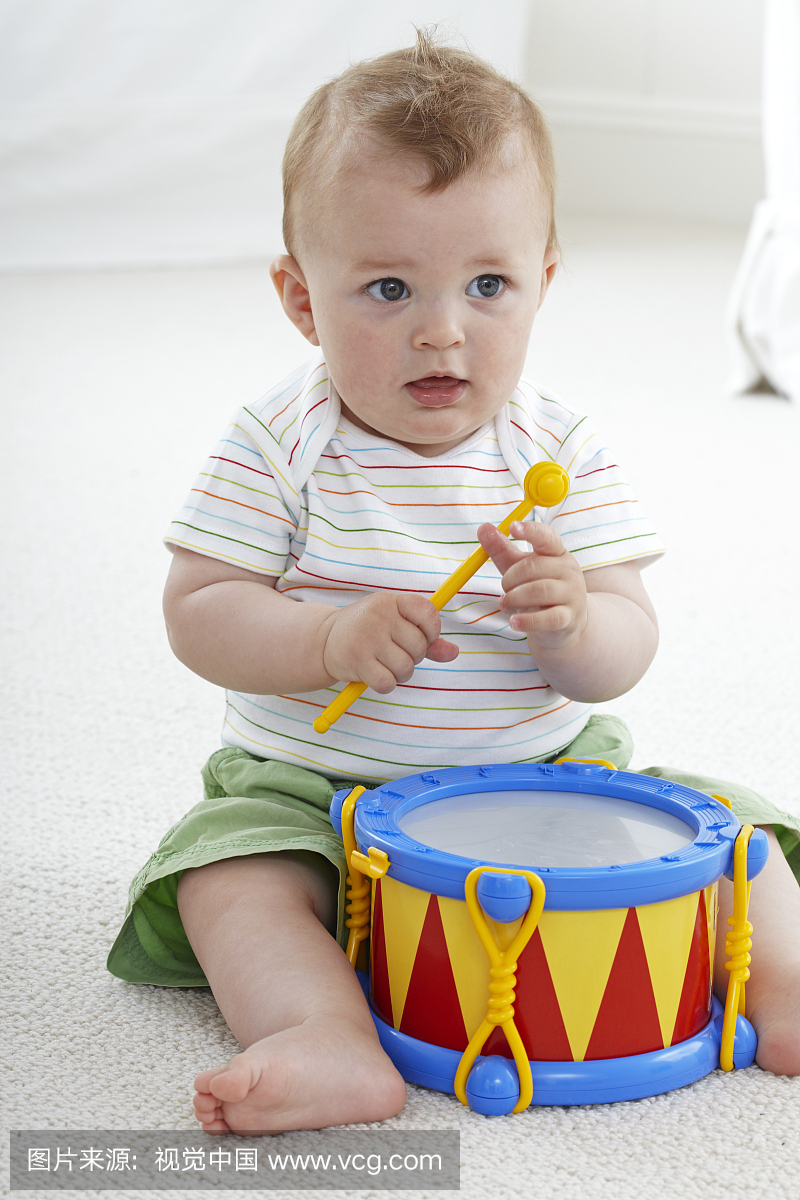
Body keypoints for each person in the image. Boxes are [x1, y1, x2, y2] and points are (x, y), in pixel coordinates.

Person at [107, 32, 800, 1133]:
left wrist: (575, 623)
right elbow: (197, 612)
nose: (442, 330)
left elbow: (625, 643)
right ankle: (322, 1036)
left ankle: (780, 990)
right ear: (299, 298)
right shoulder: (279, 440)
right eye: (387, 287)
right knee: (226, 878)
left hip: (540, 775)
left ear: (544, 281)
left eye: (487, 284)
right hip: (317, 792)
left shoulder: (557, 447)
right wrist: (321, 643)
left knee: (735, 836)